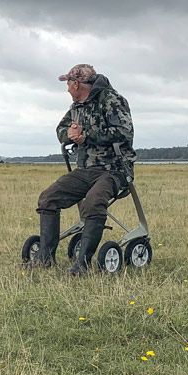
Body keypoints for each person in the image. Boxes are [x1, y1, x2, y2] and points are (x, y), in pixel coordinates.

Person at [27, 63, 135, 275]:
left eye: (68, 84)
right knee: (48, 198)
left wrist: (87, 135)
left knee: (93, 202)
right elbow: (60, 129)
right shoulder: (76, 107)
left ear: (76, 84)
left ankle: (82, 264)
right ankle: (44, 259)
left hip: (114, 169)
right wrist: (69, 134)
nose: (67, 89)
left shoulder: (113, 100)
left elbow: (124, 132)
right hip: (85, 169)